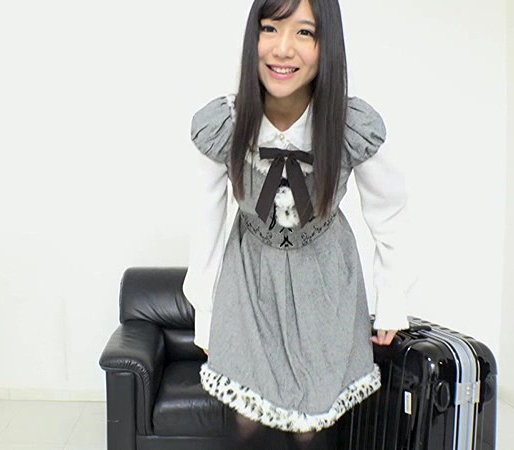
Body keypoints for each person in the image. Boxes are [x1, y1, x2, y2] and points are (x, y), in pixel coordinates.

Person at [182, 0, 414, 448]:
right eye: (270, 28)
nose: (282, 48)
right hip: (249, 282)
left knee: (312, 429)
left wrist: (391, 298)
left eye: (304, 32)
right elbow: (205, 219)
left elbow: (389, 211)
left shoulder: (350, 125)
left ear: (328, 45)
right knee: (245, 422)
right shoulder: (225, 124)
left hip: (325, 284)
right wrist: (206, 315)